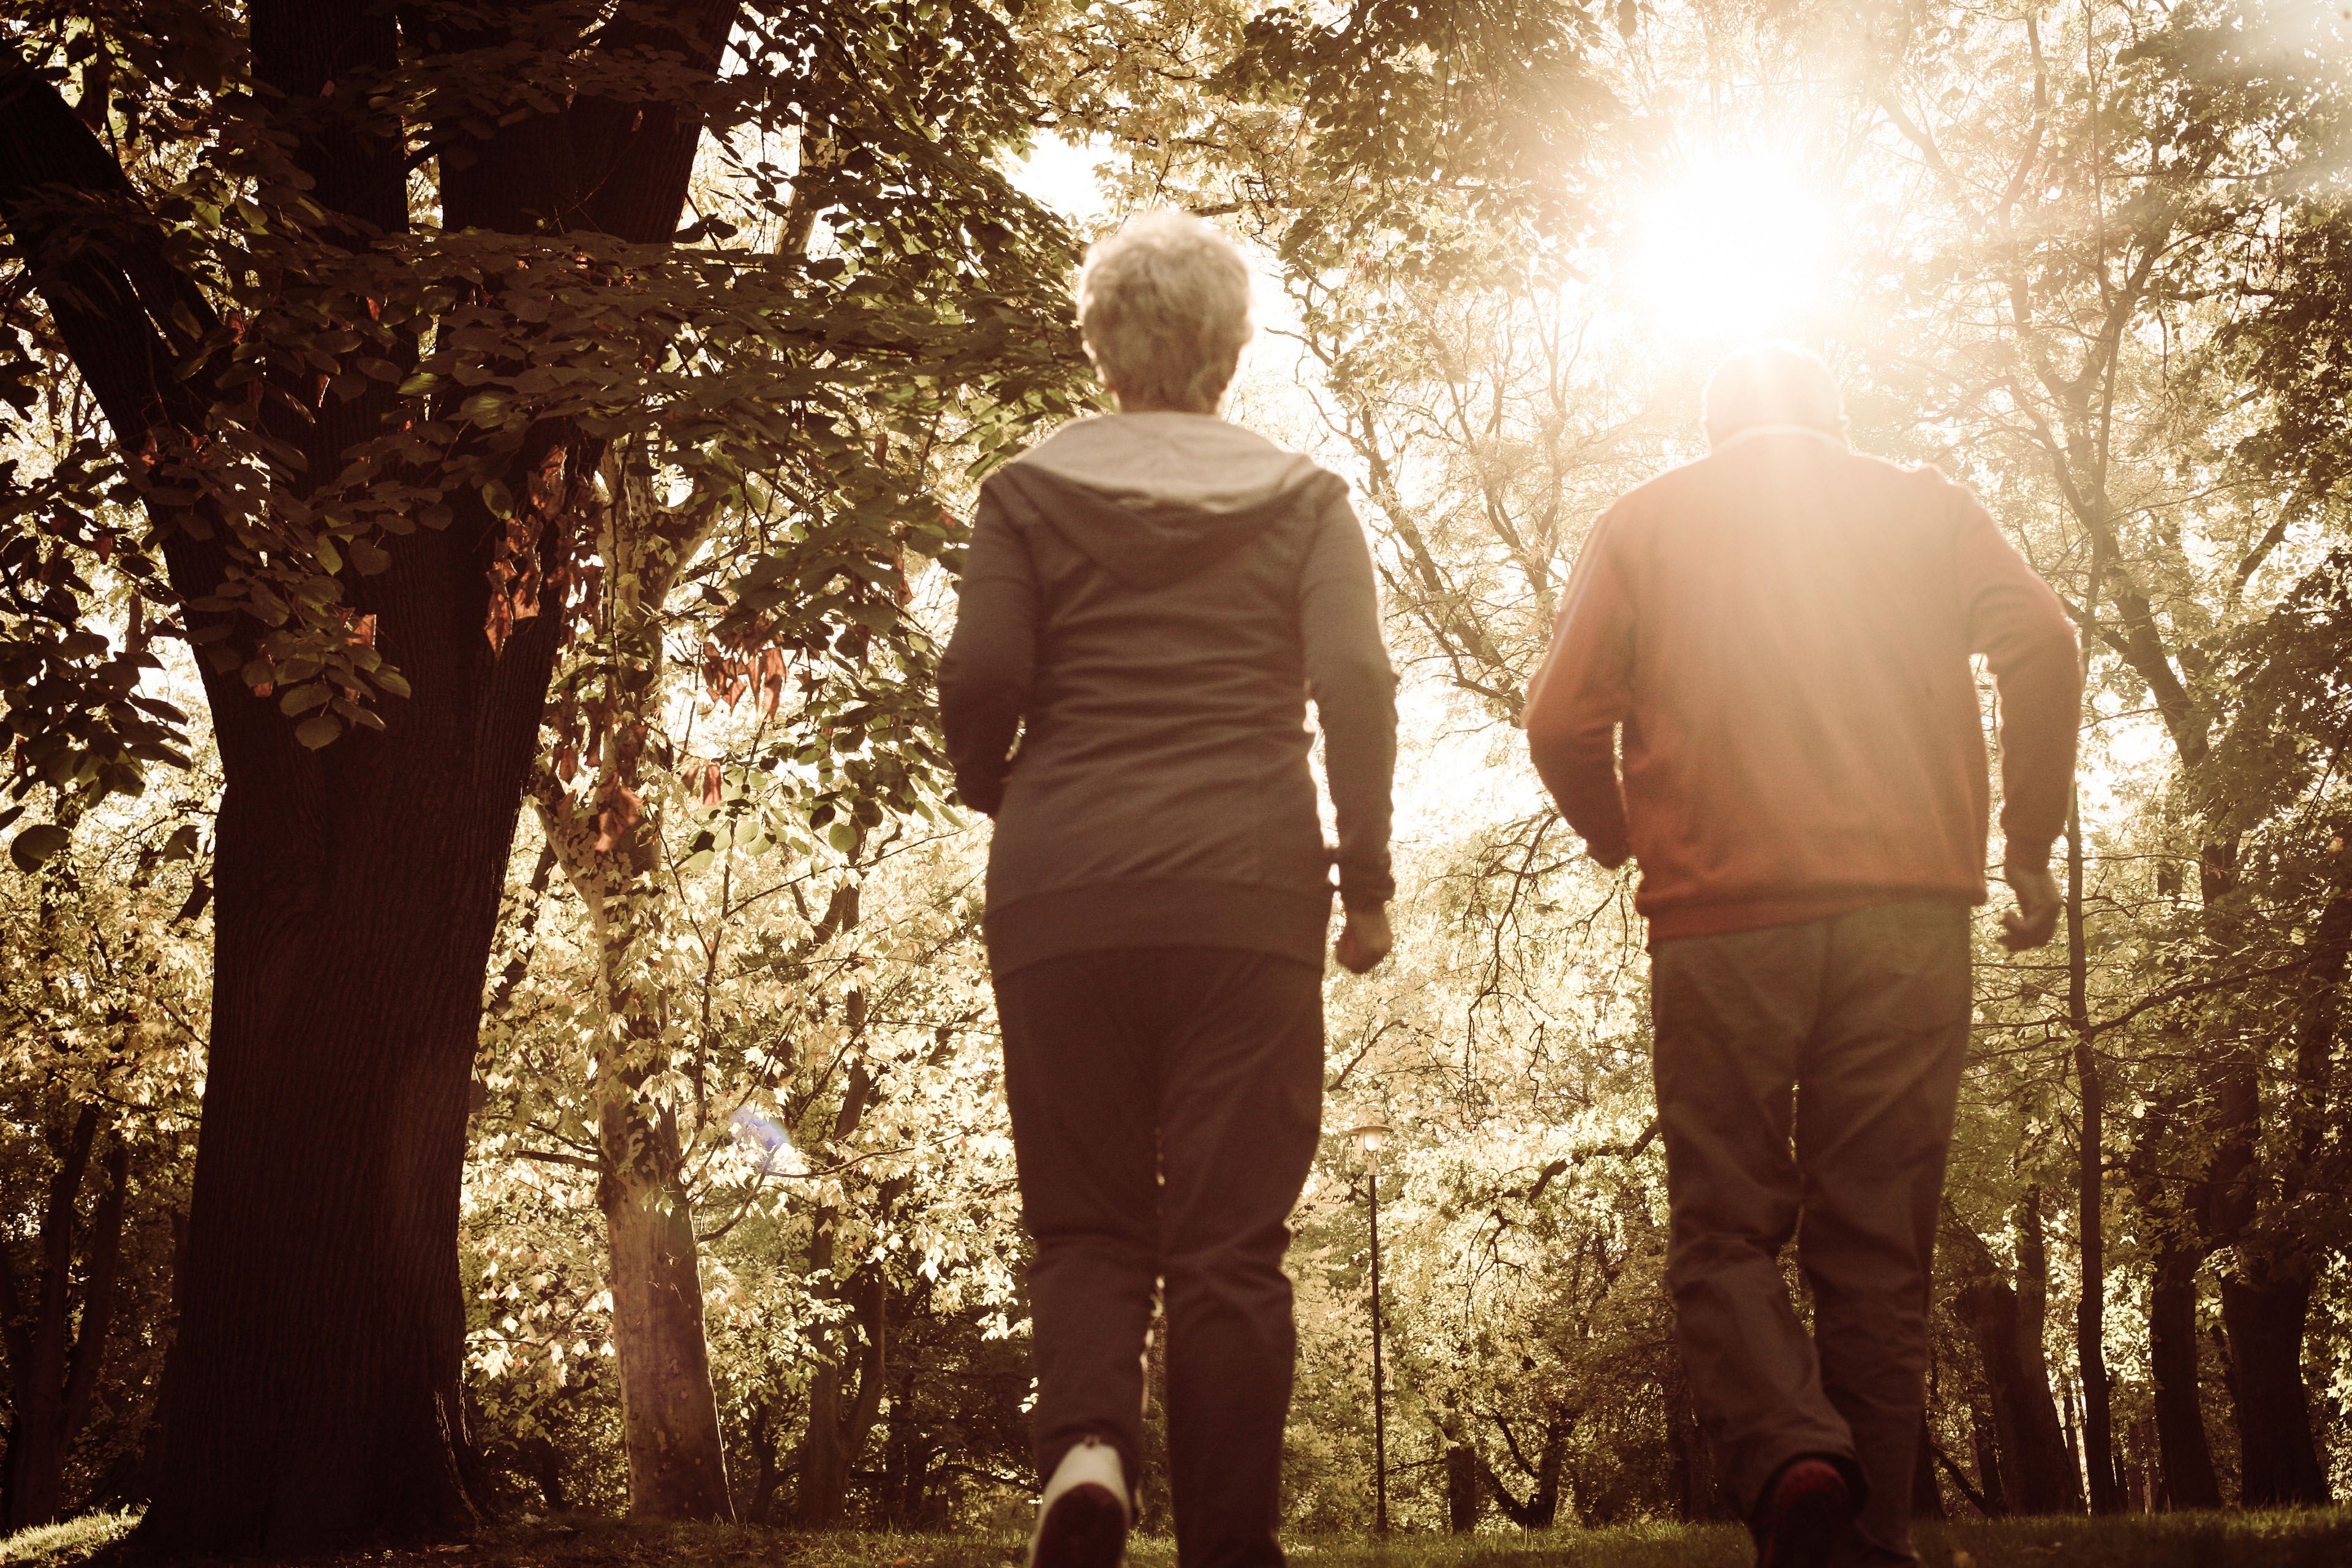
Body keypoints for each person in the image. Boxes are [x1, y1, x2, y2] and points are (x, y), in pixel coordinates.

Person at [1522, 344, 2081, 1568]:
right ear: (1836, 419)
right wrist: (2028, 840)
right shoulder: (1927, 505)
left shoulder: (1645, 523)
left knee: (1723, 1225)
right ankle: (1865, 1534)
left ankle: (1790, 1453)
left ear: (1715, 426)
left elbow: (1558, 717)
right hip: (1910, 919)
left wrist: (1622, 840)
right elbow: (2041, 637)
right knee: (1879, 1245)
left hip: (1722, 923)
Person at [938, 211, 1398, 1568]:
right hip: (1245, 892)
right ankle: (1230, 1549)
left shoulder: (1025, 492)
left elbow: (979, 678)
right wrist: (1363, 881)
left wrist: (996, 787)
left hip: (1061, 886)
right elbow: (1358, 685)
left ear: (1102, 345)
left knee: (1084, 1217)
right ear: (1230, 350)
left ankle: (1088, 1450)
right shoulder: (1305, 498)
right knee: (1228, 1244)